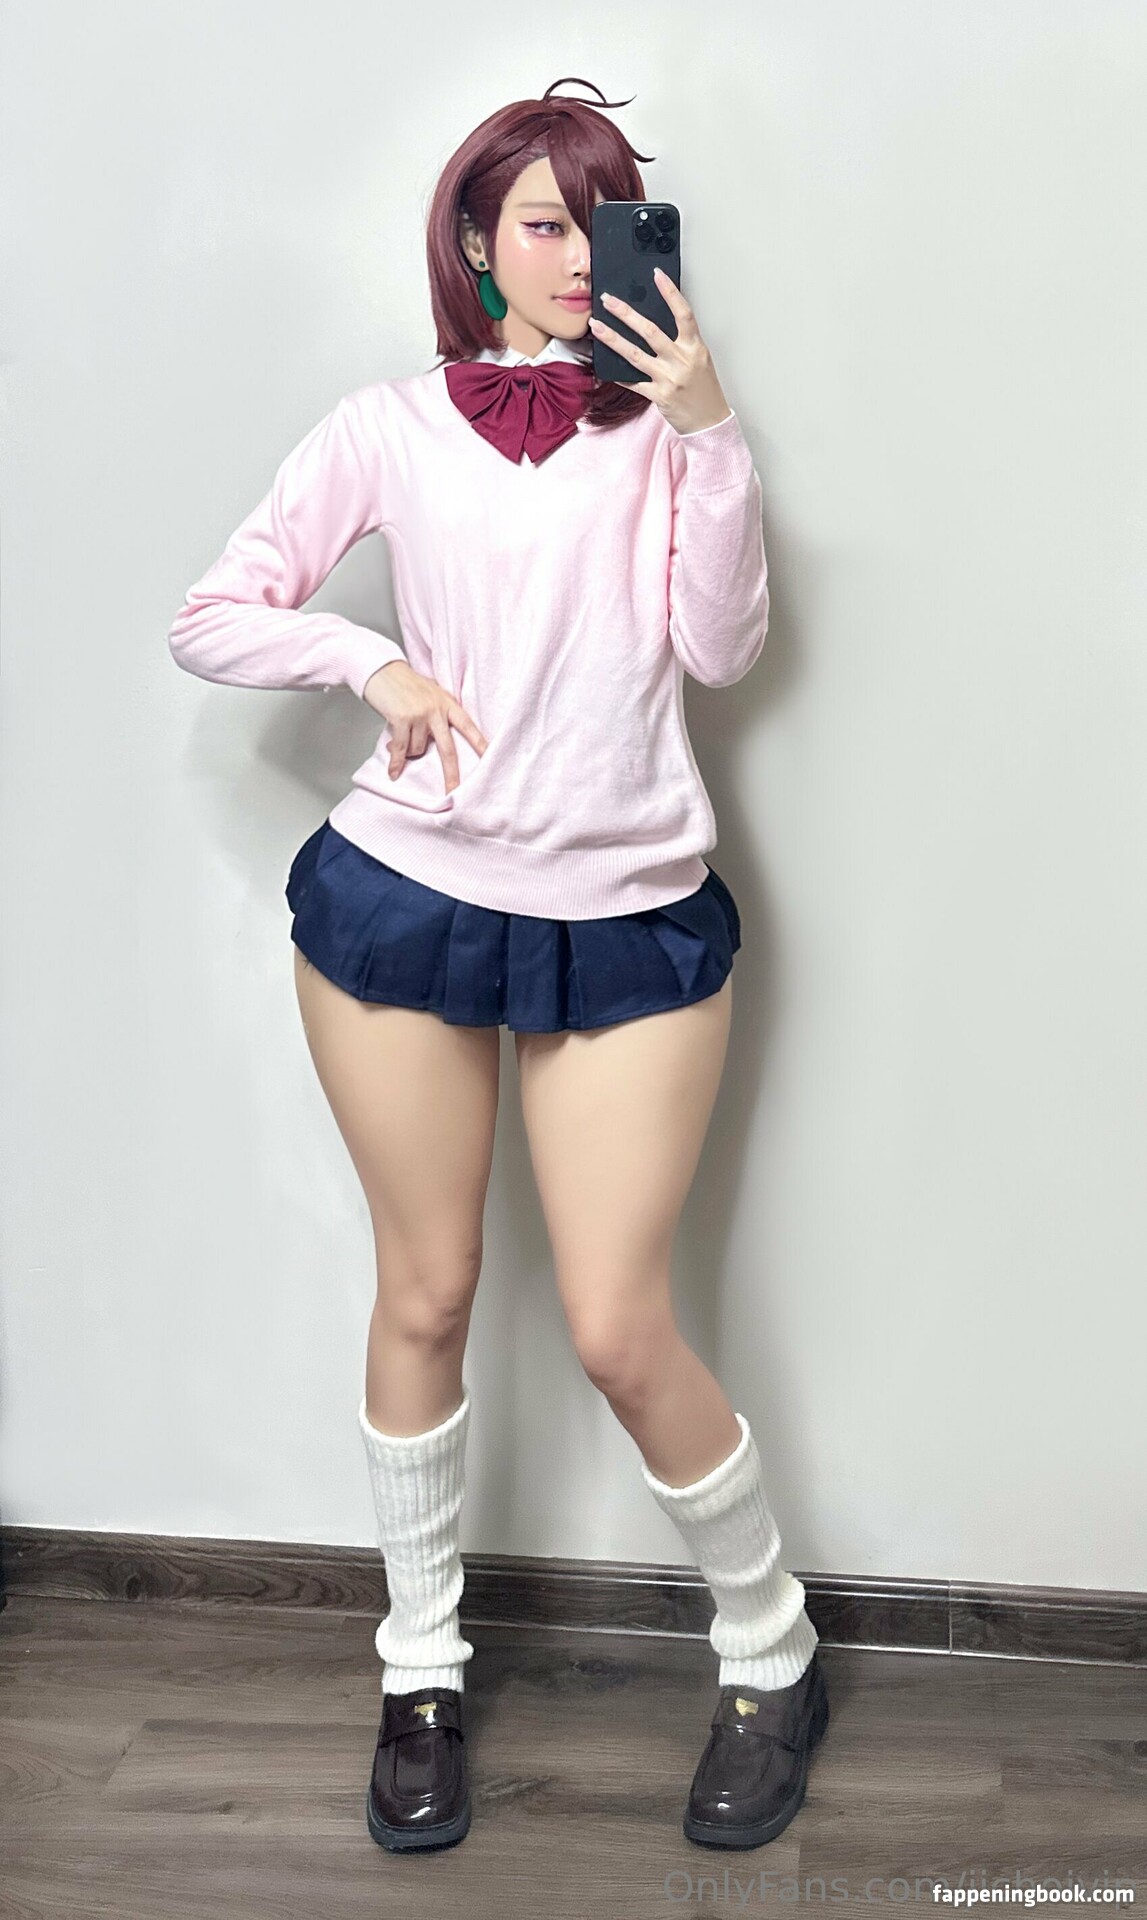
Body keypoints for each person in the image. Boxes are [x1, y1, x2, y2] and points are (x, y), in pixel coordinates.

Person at [167, 76, 829, 1858]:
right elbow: (212, 610)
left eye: (602, 224)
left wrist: (708, 429)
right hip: (410, 894)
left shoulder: (669, 439)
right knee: (429, 1292)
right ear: (476, 241)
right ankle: (420, 1677)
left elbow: (722, 648)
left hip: (625, 909)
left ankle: (773, 1650)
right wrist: (365, 665)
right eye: (544, 222)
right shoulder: (387, 426)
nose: (575, 256)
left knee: (616, 1322)